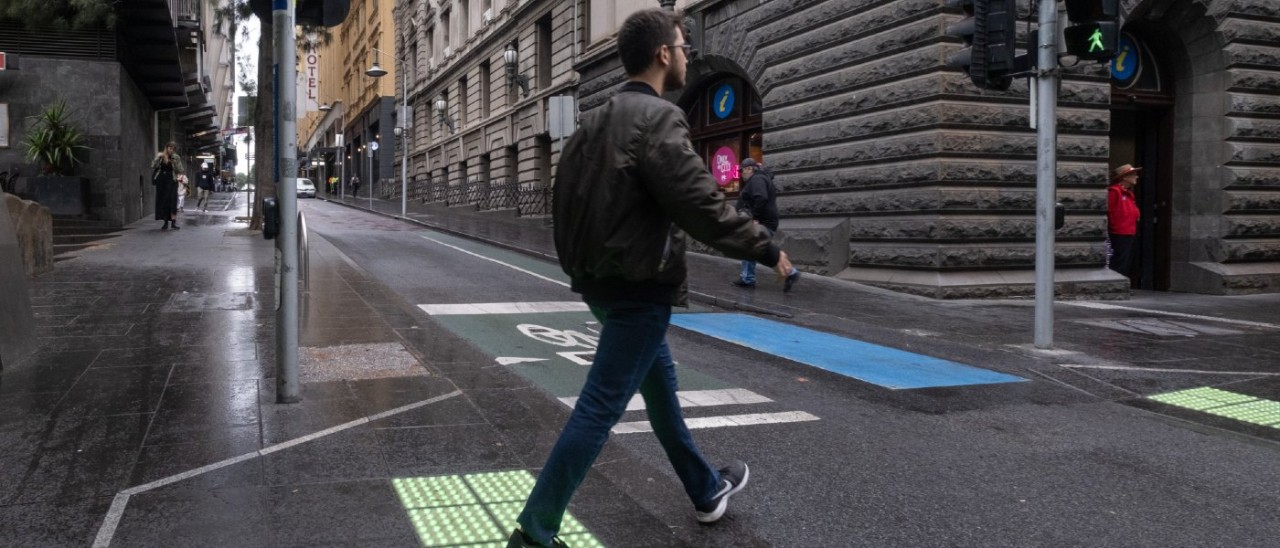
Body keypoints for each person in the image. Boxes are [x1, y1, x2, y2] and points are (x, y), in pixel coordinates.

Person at [507, 9, 795, 548]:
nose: (686, 54)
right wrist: (765, 245)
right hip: (640, 287)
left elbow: (561, 203)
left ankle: (706, 490)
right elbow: (702, 206)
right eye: (682, 46)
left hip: (601, 283)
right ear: (664, 54)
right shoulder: (659, 119)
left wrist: (579, 268)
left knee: (661, 395)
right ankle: (535, 531)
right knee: (599, 408)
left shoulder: (594, 121)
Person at [732, 158, 800, 291]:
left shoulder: (757, 179)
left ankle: (790, 272)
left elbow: (761, 197)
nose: (741, 174)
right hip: (765, 221)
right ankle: (748, 278)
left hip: (763, 222)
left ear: (750, 169)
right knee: (753, 248)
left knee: (758, 248)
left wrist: (754, 216)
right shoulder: (759, 179)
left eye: (742, 170)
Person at [1107, 164, 1141, 279]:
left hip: (1129, 231)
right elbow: (1110, 211)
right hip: (1120, 232)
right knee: (1120, 259)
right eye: (1133, 175)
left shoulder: (1128, 193)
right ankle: (1115, 281)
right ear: (1125, 177)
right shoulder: (1115, 191)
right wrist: (1114, 227)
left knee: (1126, 259)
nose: (1136, 177)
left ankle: (1121, 281)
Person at [151, 142, 184, 230]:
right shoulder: (161, 156)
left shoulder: (176, 157)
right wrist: (158, 157)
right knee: (164, 201)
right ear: (166, 148)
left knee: (173, 201)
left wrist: (175, 163)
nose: (171, 150)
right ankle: (165, 222)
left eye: (173, 148)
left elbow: (180, 169)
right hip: (162, 181)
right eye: (170, 148)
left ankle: (173, 223)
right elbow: (153, 166)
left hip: (172, 180)